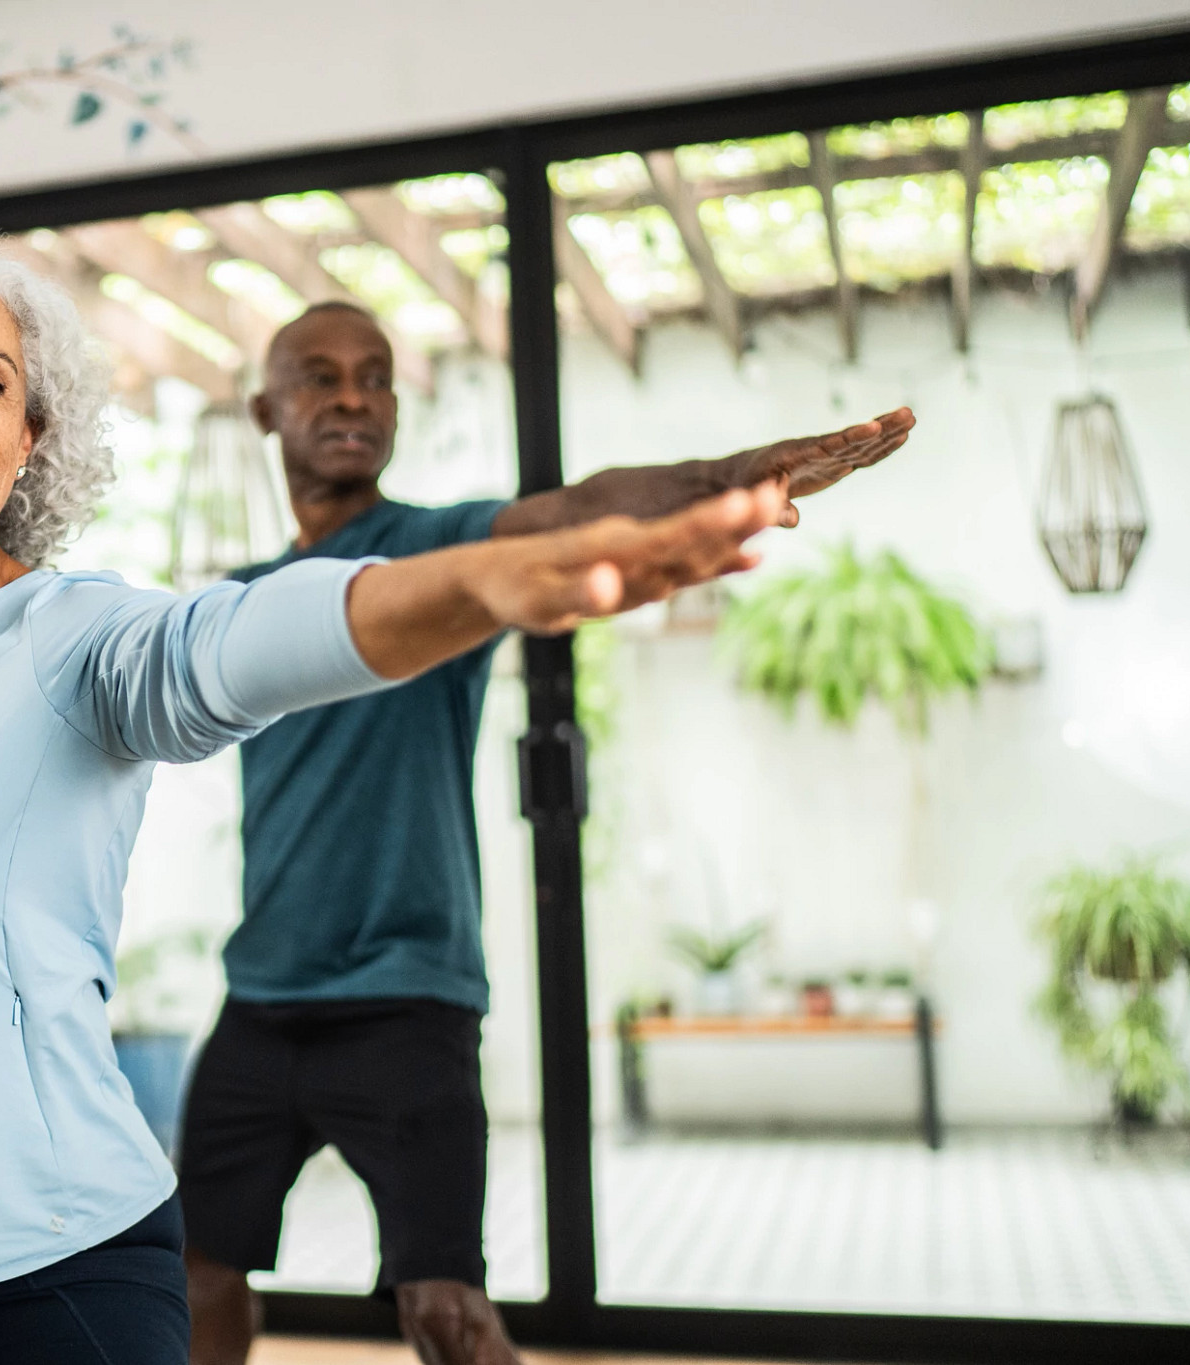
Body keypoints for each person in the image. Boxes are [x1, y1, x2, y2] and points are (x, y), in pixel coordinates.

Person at [0, 207, 791, 1365]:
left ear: (29, 435)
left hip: (39, 1280)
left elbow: (228, 646)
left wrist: (480, 583)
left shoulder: (75, 641)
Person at [179, 301, 915, 1365]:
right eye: (318, 375)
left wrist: (730, 474)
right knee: (197, 1272)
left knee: (442, 1307)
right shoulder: (242, 602)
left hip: (406, 1000)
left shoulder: (435, 550)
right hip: (261, 1001)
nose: (349, 396)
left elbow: (574, 509)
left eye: (373, 375)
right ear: (264, 408)